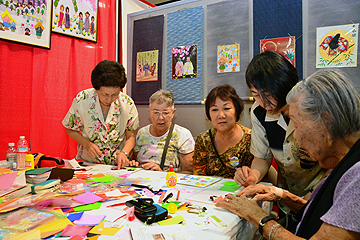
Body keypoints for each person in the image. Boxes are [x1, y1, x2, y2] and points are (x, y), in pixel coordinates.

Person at [216, 69, 360, 239]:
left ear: (326, 122)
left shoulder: (356, 176)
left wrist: (259, 218)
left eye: (297, 125)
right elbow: (317, 213)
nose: (296, 138)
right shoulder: (345, 162)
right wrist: (281, 195)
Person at [234, 50, 327, 200]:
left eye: (267, 94)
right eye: (256, 95)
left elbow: (336, 161)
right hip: (286, 197)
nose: (263, 103)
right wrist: (253, 176)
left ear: (283, 84)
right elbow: (262, 157)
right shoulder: (258, 112)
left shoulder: (312, 106)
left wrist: (313, 197)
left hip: (320, 195)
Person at [62, 60, 139, 169]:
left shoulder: (127, 103)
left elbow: (131, 135)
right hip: (89, 164)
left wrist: (124, 153)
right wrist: (86, 144)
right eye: (105, 94)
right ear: (96, 88)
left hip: (118, 166)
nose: (109, 99)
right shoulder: (82, 99)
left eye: (115, 94)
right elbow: (70, 128)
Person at [193, 84, 254, 178]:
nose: (221, 115)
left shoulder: (252, 139)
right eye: (214, 110)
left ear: (237, 110)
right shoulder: (203, 140)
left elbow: (259, 176)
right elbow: (198, 176)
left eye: (227, 108)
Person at [133, 90, 194, 173]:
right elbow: (136, 161)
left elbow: (188, 172)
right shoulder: (142, 133)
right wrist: (133, 164)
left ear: (173, 113)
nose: (160, 117)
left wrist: (161, 173)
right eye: (156, 112)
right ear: (149, 113)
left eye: (165, 113)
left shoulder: (182, 135)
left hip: (168, 184)